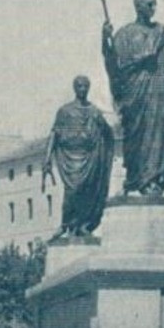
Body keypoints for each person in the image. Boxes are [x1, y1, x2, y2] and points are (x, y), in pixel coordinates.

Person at [103, 0, 164, 197]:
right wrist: (105, 42)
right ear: (138, 6)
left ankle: (152, 181)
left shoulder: (162, 33)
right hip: (135, 94)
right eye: (149, 4)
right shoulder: (124, 34)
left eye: (154, 4)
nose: (153, 8)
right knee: (137, 136)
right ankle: (135, 180)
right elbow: (115, 67)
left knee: (160, 134)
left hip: (159, 91)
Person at [42, 74, 116, 239]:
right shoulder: (65, 111)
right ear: (74, 88)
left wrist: (102, 125)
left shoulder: (94, 111)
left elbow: (108, 134)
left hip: (90, 156)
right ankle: (65, 224)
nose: (82, 89)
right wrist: (46, 159)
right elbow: (54, 134)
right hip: (70, 157)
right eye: (79, 86)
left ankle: (83, 225)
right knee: (72, 191)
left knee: (88, 192)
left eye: (85, 87)